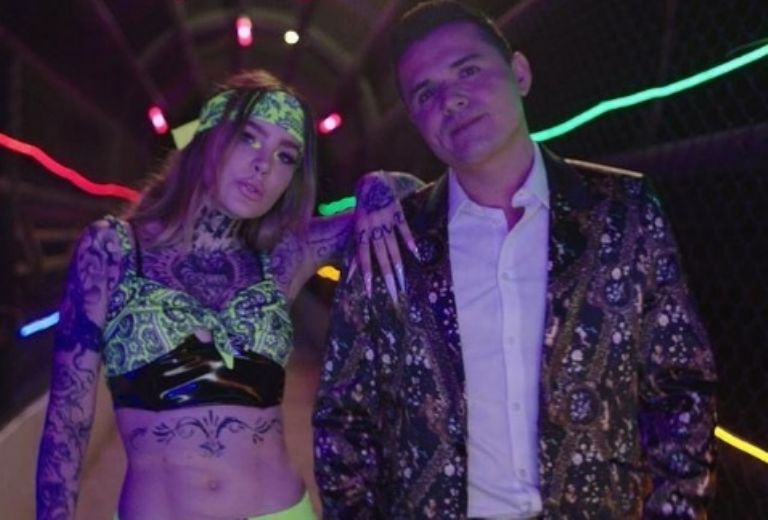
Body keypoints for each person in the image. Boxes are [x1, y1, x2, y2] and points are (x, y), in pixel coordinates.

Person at [312, 2, 718, 519]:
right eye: (426, 93)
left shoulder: (623, 213)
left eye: (468, 70)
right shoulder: (390, 239)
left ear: (519, 73)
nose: (452, 99)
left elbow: (681, 388)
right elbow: (345, 421)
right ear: (415, 120)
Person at [35, 69, 422, 520]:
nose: (264, 165)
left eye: (286, 155)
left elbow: (416, 199)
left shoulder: (284, 256)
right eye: (248, 138)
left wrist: (377, 185)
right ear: (205, 141)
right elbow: (67, 422)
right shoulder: (113, 250)